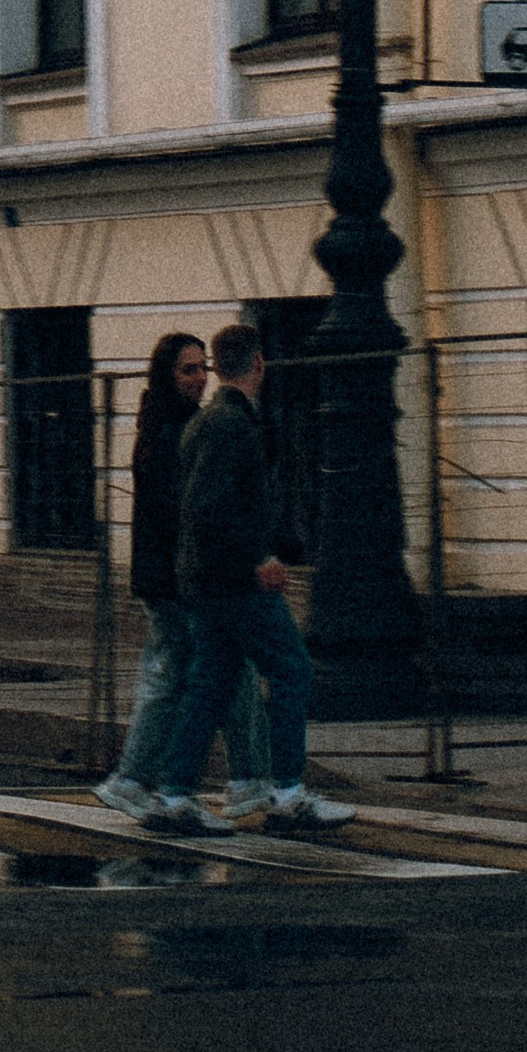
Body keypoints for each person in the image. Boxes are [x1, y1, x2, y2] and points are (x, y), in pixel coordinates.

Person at [150, 322, 357, 844]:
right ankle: (288, 794)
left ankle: (174, 796)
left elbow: (201, 506)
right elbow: (209, 507)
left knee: (209, 684)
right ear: (259, 363)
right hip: (233, 582)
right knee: (291, 670)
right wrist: (256, 558)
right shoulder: (230, 425)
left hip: (203, 580)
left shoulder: (206, 423)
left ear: (219, 365)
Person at [94, 330, 270, 834]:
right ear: (166, 376)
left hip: (176, 577)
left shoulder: (173, 422)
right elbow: (184, 513)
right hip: (177, 581)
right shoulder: (177, 429)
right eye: (187, 370)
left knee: (197, 673)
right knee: (186, 676)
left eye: (202, 369)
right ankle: (145, 780)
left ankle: (243, 778)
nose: (198, 379)